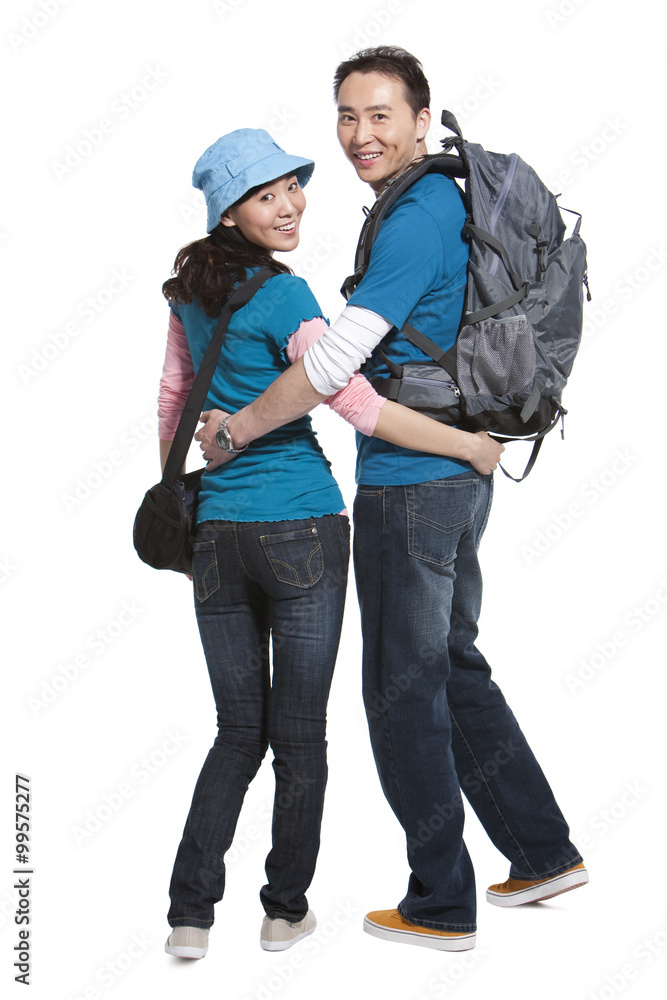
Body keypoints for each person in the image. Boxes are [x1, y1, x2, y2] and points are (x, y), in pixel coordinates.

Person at [195, 49, 588, 953]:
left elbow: (333, 362)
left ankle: (439, 903)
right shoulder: (435, 205)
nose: (359, 135)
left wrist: (241, 428)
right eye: (345, 116)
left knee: (400, 689)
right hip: (451, 472)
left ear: (420, 120)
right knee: (449, 663)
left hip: (412, 487)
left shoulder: (414, 219)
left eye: (379, 116)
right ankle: (540, 852)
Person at [158, 127, 504, 960]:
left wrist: (196, 498)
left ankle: (189, 918)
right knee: (300, 734)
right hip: (303, 528)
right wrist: (465, 445)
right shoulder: (286, 297)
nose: (287, 207)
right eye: (265, 197)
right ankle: (284, 911)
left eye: (290, 188)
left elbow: (174, 401)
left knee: (235, 732)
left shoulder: (186, 294)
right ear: (230, 212)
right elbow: (349, 401)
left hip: (216, 536)